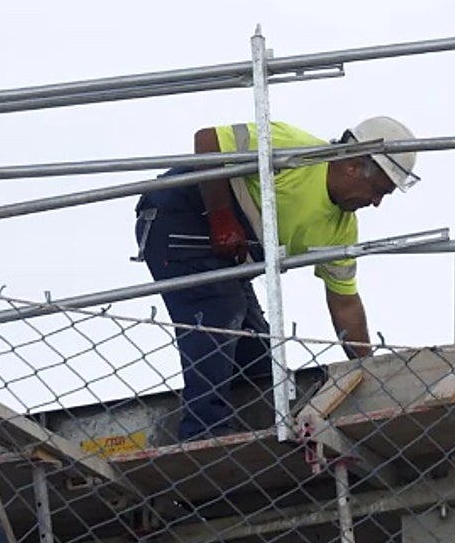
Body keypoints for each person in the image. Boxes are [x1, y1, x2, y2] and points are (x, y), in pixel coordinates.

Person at [134, 116, 418, 441]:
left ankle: (256, 429)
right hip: (179, 216)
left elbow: (345, 304)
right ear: (354, 165)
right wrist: (222, 217)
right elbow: (208, 140)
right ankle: (204, 432)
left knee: (257, 354)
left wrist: (370, 372)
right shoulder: (295, 150)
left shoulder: (341, 229)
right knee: (219, 312)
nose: (377, 203)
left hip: (226, 251)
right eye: (378, 190)